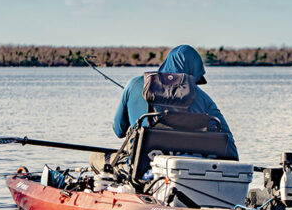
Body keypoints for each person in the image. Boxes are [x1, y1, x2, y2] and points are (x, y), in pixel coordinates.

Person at [91, 45, 238, 174]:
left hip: (139, 168)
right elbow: (229, 147)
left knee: (95, 158)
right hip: (190, 171)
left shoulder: (135, 84)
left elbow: (118, 130)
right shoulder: (203, 98)